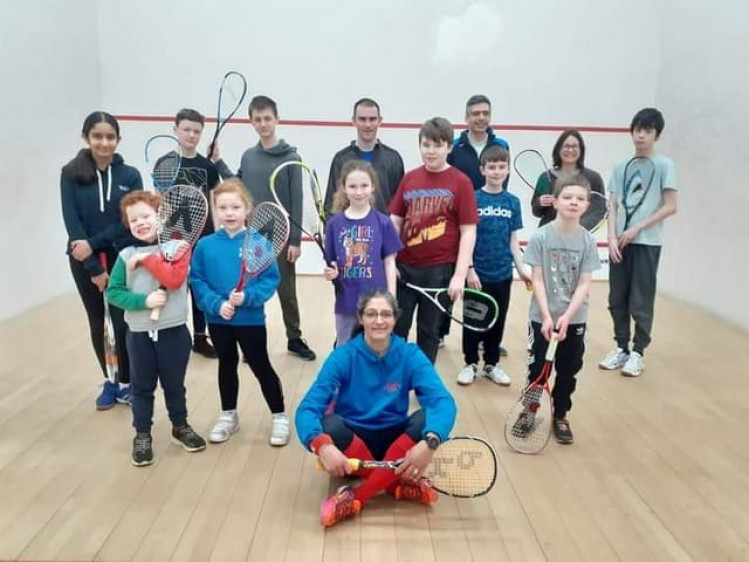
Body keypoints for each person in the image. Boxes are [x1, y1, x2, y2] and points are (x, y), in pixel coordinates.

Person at [295, 290, 457, 527]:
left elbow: (442, 401)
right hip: (352, 448)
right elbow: (308, 409)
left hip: (394, 442)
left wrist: (431, 442)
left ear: (395, 319)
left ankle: (356, 497)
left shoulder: (409, 354)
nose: (379, 321)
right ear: (361, 319)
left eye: (385, 314)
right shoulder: (343, 357)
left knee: (426, 419)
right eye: (371, 314)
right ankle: (395, 481)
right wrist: (321, 446)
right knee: (329, 425)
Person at [106, 191, 207, 466]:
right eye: (134, 219)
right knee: (141, 387)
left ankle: (180, 426)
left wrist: (149, 260)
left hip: (173, 331)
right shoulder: (125, 255)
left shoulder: (178, 249)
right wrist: (143, 301)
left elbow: (173, 280)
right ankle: (142, 434)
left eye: (146, 216)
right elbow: (113, 293)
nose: (141, 222)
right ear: (128, 224)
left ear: (160, 217)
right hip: (138, 334)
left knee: (174, 385)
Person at [190, 179, 291, 446]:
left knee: (260, 365)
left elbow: (270, 280)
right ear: (216, 210)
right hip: (218, 319)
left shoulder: (258, 243)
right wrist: (215, 304)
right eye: (223, 207)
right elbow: (197, 281)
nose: (229, 213)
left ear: (247, 209)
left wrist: (247, 297)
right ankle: (228, 416)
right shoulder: (205, 246)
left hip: (250, 320)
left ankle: (279, 417)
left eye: (235, 206)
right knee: (226, 364)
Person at [60, 111, 143, 410]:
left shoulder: (130, 175)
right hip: (84, 261)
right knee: (98, 322)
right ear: (86, 138)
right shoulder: (70, 174)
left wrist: (92, 244)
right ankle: (110, 381)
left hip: (122, 258)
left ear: (118, 140)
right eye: (97, 136)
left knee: (123, 323)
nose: (104, 142)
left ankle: (129, 383)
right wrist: (93, 265)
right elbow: (73, 223)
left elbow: (128, 221)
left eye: (110, 137)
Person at [389, 117, 478, 364]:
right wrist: (391, 260)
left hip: (439, 271)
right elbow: (395, 221)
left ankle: (422, 385)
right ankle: (394, 380)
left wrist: (460, 275)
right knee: (397, 329)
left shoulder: (461, 182)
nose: (431, 151)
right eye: (426, 145)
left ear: (449, 147)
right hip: (404, 270)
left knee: (429, 333)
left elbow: (468, 231)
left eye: (437, 145)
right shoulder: (409, 178)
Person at [521, 175, 601, 444]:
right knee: (537, 370)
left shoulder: (588, 241)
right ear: (555, 202)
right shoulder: (541, 237)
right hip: (540, 318)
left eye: (580, 199)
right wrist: (547, 316)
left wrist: (567, 317)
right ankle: (529, 411)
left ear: (587, 205)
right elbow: (538, 280)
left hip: (575, 320)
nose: (573, 202)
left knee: (568, 370)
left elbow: (584, 285)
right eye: (568, 197)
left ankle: (561, 415)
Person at [235, 95, 316, 361]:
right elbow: (237, 185)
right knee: (253, 290)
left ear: (277, 119)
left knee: (286, 291)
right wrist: (218, 162)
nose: (263, 124)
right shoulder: (248, 157)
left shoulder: (291, 157)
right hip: (255, 234)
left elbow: (297, 198)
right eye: (257, 120)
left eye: (267, 118)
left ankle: (294, 338)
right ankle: (253, 342)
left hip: (282, 235)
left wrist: (295, 240)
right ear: (252, 123)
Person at [598, 108, 678, 377]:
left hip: (647, 243)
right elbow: (613, 204)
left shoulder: (665, 165)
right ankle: (621, 347)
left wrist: (637, 229)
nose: (641, 135)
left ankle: (638, 352)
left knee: (640, 300)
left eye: (648, 131)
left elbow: (670, 206)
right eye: (638, 130)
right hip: (619, 244)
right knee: (616, 298)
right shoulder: (621, 166)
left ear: (657, 135)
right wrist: (611, 238)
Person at [457, 146, 531, 387]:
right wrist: (469, 269)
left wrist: (520, 268)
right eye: (492, 167)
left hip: (502, 273)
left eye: (501, 167)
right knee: (473, 319)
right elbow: (465, 236)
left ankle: (491, 364)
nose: (497, 171)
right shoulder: (473, 199)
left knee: (497, 320)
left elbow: (513, 239)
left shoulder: (513, 202)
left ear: (507, 169)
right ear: (482, 169)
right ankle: (469, 363)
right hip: (477, 273)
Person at [446, 95, 510, 354]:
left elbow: (502, 185)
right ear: (467, 117)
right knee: (455, 276)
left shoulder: (501, 144)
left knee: (489, 285)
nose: (481, 117)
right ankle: (441, 331)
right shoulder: (455, 145)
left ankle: (490, 340)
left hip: (488, 221)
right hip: (457, 221)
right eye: (475, 113)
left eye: (485, 113)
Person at [324, 160, 402, 347]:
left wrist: (391, 299)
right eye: (352, 186)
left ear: (373, 187)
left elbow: (390, 263)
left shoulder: (383, 222)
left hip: (377, 302)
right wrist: (330, 273)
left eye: (364, 186)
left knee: (378, 347)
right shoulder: (334, 224)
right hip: (346, 303)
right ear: (343, 188)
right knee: (345, 348)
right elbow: (332, 265)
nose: (359, 192)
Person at [171, 108, 222, 358]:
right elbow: (161, 202)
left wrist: (217, 236)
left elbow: (214, 203)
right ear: (175, 130)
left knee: (200, 288)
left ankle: (200, 338)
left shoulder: (208, 167)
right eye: (186, 130)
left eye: (196, 131)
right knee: (175, 287)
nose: (191, 135)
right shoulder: (166, 164)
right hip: (175, 239)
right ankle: (175, 336)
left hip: (204, 238)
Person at [323, 98, 405, 216]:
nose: (367, 125)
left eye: (372, 119)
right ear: (353, 121)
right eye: (362, 119)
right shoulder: (341, 159)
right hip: (350, 232)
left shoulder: (393, 159)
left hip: (384, 232)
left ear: (380, 121)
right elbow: (331, 205)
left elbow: (401, 206)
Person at [530, 129, 606, 227]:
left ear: (581, 150)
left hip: (581, 238)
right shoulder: (545, 177)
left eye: (574, 146)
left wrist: (579, 227)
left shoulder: (593, 178)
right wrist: (540, 202)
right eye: (566, 146)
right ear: (558, 149)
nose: (570, 150)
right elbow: (536, 211)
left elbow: (599, 210)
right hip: (549, 237)